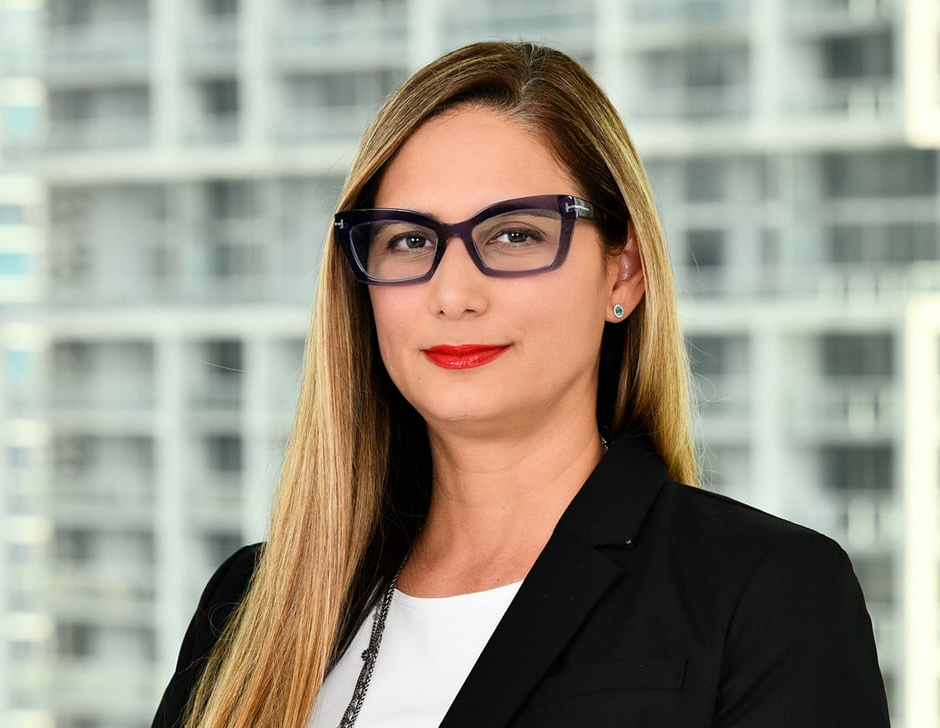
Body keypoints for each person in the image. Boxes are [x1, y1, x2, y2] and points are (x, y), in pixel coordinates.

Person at [153, 41, 890, 728]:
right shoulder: (250, 606)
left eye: (515, 235)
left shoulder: (762, 593)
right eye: (409, 240)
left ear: (623, 274)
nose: (453, 294)